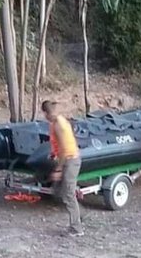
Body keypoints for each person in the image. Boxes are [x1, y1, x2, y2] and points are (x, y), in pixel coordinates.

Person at [42, 100, 83, 237]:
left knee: (68, 194)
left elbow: (65, 151)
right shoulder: (58, 121)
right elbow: (59, 146)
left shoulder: (59, 125)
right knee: (60, 190)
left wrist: (58, 170)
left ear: (46, 113)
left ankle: (77, 228)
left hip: (70, 160)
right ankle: (77, 215)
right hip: (68, 159)